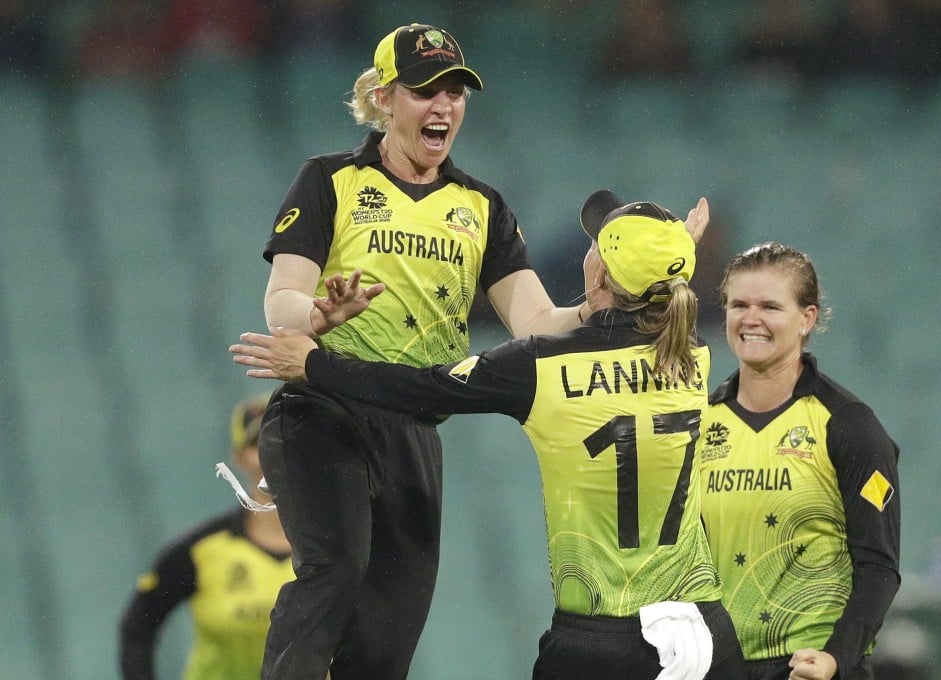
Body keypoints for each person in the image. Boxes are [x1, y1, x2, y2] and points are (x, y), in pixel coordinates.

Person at [250, 22, 688, 680]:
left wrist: (600, 307)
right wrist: (317, 312)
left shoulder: (481, 207)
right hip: (321, 410)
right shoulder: (329, 181)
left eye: (456, 91)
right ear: (385, 97)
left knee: (389, 635)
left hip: (414, 430)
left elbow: (535, 321)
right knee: (334, 570)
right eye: (427, 90)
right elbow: (281, 300)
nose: (445, 106)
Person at [230, 190, 750, 680]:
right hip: (705, 634)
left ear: (598, 275)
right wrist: (670, 252)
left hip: (601, 641)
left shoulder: (542, 366)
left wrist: (316, 366)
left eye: (597, 245)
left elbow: (422, 389)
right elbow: (654, 304)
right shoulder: (693, 355)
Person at [697, 241, 901, 680]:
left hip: (808, 669)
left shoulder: (850, 427)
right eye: (739, 305)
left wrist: (834, 660)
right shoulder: (697, 425)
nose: (751, 319)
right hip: (717, 668)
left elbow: (878, 568)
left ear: (807, 319)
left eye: (770, 306)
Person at [119, 393, 293, 680]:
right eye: (258, 441)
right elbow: (139, 623)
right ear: (238, 458)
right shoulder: (203, 551)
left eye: (288, 436)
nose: (275, 449)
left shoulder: (346, 547)